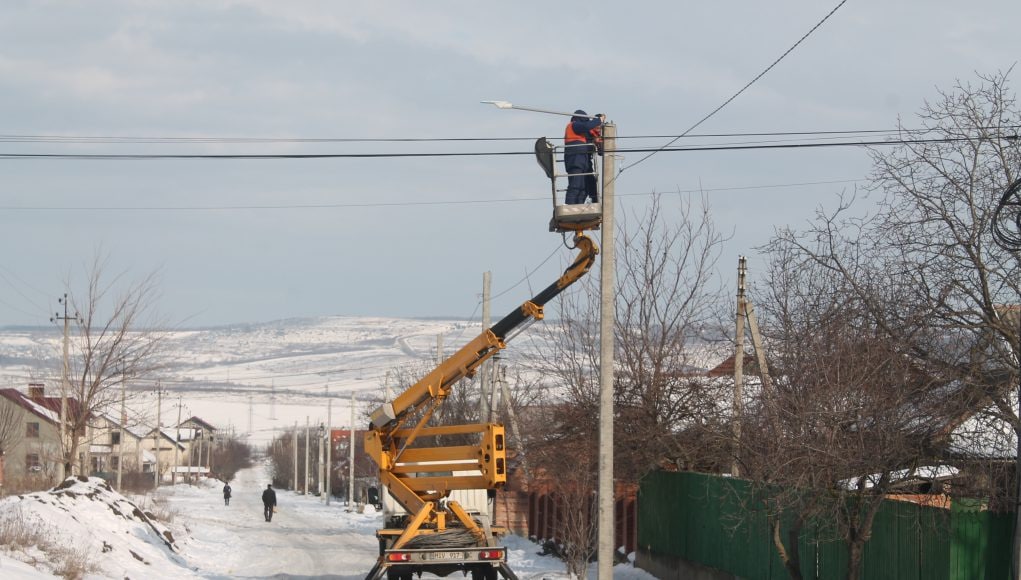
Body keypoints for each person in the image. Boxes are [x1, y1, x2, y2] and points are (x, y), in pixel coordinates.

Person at [563, 110, 605, 204]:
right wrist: (599, 120)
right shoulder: (574, 125)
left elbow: (600, 152)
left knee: (586, 187)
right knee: (576, 185)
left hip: (584, 163)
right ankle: (569, 206)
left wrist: (598, 141)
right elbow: (586, 126)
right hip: (575, 161)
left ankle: (581, 205)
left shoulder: (585, 133)